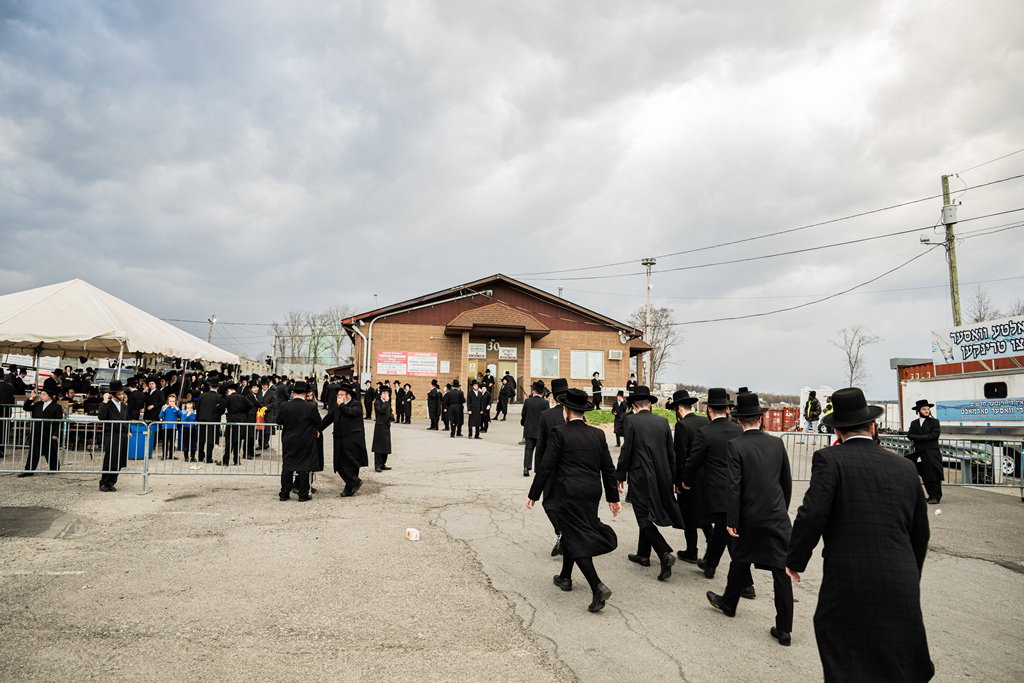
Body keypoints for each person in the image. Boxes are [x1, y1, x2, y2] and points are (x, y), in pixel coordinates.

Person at [787, 387, 933, 681]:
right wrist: (909, 572)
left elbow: (812, 515)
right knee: (896, 658)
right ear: (873, 426)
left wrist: (795, 559)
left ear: (837, 431)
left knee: (845, 652)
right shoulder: (905, 468)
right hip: (901, 577)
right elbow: (921, 532)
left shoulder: (830, 460)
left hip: (850, 577)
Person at [705, 392, 794, 646]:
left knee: (741, 558)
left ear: (740, 420)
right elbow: (785, 481)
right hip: (775, 514)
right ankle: (784, 629)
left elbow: (734, 486)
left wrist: (732, 519)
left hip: (749, 515)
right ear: (761, 417)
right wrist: (780, 509)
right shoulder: (777, 444)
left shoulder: (736, 445)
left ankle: (729, 603)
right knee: (780, 570)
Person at [527, 388, 621, 613]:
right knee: (573, 534)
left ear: (566, 411)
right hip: (591, 493)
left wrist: (534, 494)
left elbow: (547, 465)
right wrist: (613, 499)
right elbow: (608, 469)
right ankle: (565, 577)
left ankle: (596, 585)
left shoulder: (559, 433)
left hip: (567, 493)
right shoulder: (597, 434)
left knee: (574, 536)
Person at [616, 385, 683, 581]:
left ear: (634, 405)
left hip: (640, 476)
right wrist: (673, 478)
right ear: (650, 405)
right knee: (646, 513)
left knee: (642, 516)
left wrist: (620, 475)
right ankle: (643, 554)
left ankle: (664, 553)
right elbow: (671, 453)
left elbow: (626, 450)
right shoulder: (662, 422)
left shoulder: (631, 421)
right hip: (662, 475)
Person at [681, 388, 746, 585]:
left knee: (729, 534)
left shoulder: (705, 432)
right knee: (721, 529)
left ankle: (746, 583)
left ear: (709, 409)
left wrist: (686, 481)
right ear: (727, 409)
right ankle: (710, 564)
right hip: (739, 487)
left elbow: (693, 461)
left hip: (717, 490)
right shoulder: (738, 429)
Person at [666, 389, 709, 565]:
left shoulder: (682, 426)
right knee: (706, 516)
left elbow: (680, 456)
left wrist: (677, 481)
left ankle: (692, 550)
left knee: (689, 516)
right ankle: (713, 547)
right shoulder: (706, 421)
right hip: (707, 476)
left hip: (689, 478)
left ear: (678, 408)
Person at [535, 378, 570, 554]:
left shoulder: (547, 415)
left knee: (549, 502)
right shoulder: (575, 413)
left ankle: (561, 533)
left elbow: (540, 444)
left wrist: (538, 469)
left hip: (551, 466)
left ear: (554, 397)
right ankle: (565, 535)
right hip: (573, 466)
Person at [276, 381, 320, 502]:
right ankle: (303, 495)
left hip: (289, 440)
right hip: (305, 441)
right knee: (303, 467)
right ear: (305, 394)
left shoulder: (285, 406)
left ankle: (284, 494)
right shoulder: (310, 407)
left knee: (287, 466)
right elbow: (318, 421)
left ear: (293, 393)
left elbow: (278, 421)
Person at [321, 383, 368, 496]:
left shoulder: (356, 404)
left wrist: (341, 405)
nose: (339, 397)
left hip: (353, 441)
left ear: (348, 396)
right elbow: (328, 418)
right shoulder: (338, 406)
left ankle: (349, 488)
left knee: (352, 465)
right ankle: (354, 482)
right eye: (338, 395)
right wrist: (318, 429)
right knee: (340, 465)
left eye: (341, 395)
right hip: (340, 440)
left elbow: (350, 413)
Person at [19, 387, 65, 475]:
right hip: (36, 432)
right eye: (41, 394)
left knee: (51, 452)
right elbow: (26, 408)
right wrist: (31, 398)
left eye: (44, 394)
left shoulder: (57, 407)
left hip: (49, 433)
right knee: (33, 452)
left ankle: (54, 469)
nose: (41, 396)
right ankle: (29, 470)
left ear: (50, 396)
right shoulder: (38, 404)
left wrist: (56, 434)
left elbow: (59, 422)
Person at [97, 380, 130, 492]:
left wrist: (128, 430)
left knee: (120, 460)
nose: (121, 396)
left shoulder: (124, 406)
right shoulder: (107, 404)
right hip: (111, 434)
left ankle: (112, 481)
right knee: (110, 459)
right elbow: (101, 417)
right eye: (119, 394)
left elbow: (125, 420)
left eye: (122, 394)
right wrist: (105, 401)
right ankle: (104, 482)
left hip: (122, 435)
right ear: (113, 394)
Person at [520, 381, 548, 477]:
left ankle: (526, 468)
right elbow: (546, 417)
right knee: (539, 450)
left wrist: (523, 422)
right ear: (542, 392)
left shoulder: (528, 401)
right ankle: (538, 469)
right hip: (540, 430)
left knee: (528, 449)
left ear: (534, 391)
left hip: (529, 429)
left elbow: (523, 414)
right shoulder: (545, 403)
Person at [196, 381, 224, 464]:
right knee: (210, 440)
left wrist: (198, 418)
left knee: (201, 439)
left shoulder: (202, 395)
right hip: (213, 420)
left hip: (202, 419)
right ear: (218, 387)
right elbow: (221, 410)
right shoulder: (219, 397)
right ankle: (208, 457)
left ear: (209, 386)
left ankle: (200, 456)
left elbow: (198, 408)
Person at [223, 383, 248, 466]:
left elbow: (222, 407)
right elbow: (250, 405)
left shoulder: (229, 398)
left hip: (231, 419)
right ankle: (237, 460)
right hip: (241, 420)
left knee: (229, 441)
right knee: (238, 440)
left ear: (229, 390)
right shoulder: (243, 397)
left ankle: (226, 460)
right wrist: (244, 412)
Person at [373, 386, 394, 472]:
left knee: (386, 446)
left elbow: (390, 411)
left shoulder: (388, 403)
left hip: (386, 427)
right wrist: (386, 402)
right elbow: (381, 411)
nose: (386, 395)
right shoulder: (377, 402)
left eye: (387, 393)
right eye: (384, 393)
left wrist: (391, 417)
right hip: (379, 427)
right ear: (381, 394)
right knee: (378, 447)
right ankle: (377, 465)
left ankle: (383, 464)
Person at [158, 395, 182, 460]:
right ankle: (164, 455)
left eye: (173, 401)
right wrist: (164, 409)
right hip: (165, 427)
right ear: (168, 401)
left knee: (172, 442)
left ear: (175, 402)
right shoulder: (164, 407)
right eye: (170, 401)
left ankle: (171, 455)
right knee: (165, 442)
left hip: (173, 427)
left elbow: (181, 414)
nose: (172, 402)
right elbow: (160, 416)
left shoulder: (176, 408)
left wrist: (176, 408)